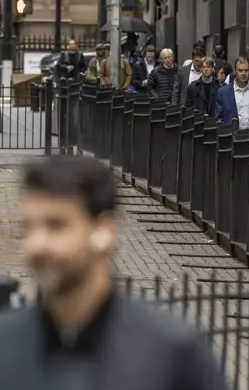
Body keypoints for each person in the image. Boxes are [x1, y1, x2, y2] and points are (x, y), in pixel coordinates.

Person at [0, 156, 228, 389]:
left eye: (56, 225)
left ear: (105, 231)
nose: (36, 244)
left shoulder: (173, 354)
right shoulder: (7, 342)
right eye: (29, 227)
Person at [215, 56, 249, 134]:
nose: (243, 74)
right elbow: (220, 119)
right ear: (234, 71)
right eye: (240, 70)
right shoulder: (223, 93)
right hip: (232, 138)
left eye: (246, 70)